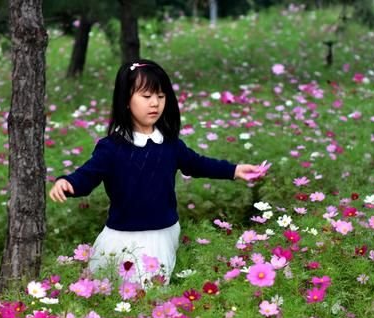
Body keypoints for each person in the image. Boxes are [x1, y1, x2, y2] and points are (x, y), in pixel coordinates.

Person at [49, 59, 263, 286]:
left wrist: (235, 170)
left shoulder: (170, 144)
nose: (155, 103)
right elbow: (87, 175)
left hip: (162, 234)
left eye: (161, 97)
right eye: (146, 96)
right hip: (122, 236)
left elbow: (198, 164)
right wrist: (67, 182)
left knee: (149, 293)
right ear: (126, 101)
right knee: (116, 292)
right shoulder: (111, 147)